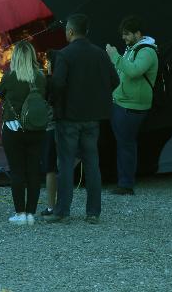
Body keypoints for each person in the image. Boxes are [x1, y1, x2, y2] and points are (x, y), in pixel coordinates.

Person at [45, 14, 118, 224]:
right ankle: (93, 212)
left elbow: (58, 84)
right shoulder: (100, 55)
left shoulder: (64, 56)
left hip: (68, 118)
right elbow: (115, 80)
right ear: (86, 31)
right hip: (93, 118)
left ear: (69, 31)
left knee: (66, 164)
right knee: (92, 164)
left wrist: (52, 100)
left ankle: (62, 211)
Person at [105, 15, 158, 195]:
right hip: (124, 103)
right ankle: (125, 181)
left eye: (127, 34)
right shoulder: (133, 48)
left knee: (126, 144)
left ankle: (126, 184)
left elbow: (134, 71)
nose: (124, 38)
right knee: (125, 144)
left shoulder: (147, 51)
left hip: (131, 106)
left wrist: (115, 56)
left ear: (138, 33)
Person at [0, 40, 47, 225]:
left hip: (12, 129)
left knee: (17, 171)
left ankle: (20, 214)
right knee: (33, 171)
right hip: (36, 129)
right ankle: (31, 214)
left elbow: (0, 94)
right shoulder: (41, 77)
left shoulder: (9, 77)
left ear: (16, 56)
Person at [39, 49, 59, 217]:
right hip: (67, 127)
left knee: (50, 168)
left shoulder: (47, 82)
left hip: (50, 129)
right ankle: (62, 206)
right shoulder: (68, 81)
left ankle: (52, 206)